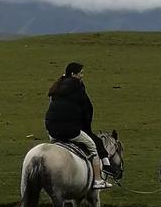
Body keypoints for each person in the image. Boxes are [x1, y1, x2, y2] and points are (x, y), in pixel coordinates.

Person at [45, 61, 111, 189]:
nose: (83, 76)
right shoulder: (77, 87)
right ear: (73, 74)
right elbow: (86, 110)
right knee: (92, 147)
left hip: (52, 130)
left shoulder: (57, 87)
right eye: (81, 73)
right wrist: (87, 129)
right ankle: (98, 180)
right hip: (70, 130)